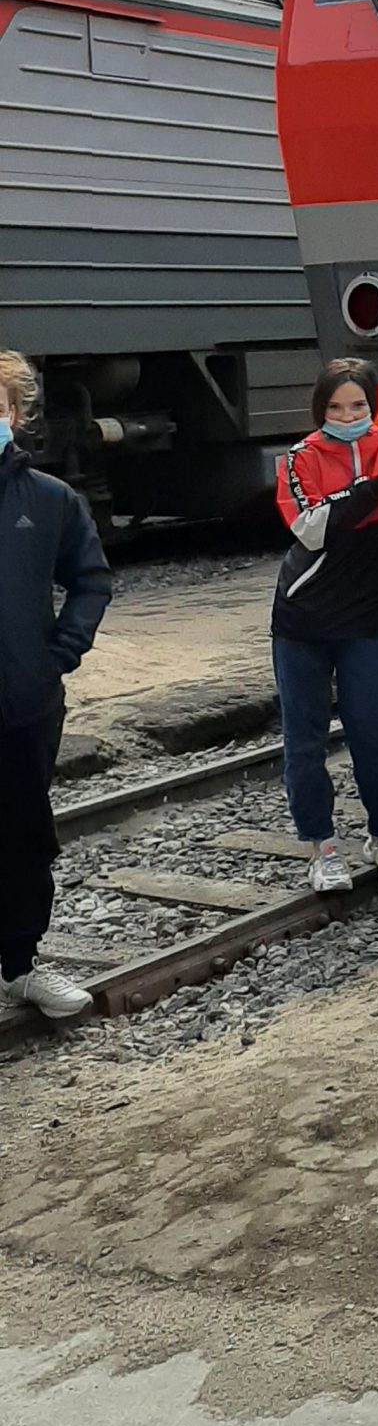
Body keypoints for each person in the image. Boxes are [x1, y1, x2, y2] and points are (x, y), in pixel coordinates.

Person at [271, 357, 378, 894]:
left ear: (373, 404)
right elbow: (312, 527)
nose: (348, 414)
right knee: (305, 741)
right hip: (302, 620)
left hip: (367, 621)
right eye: (335, 406)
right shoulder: (298, 458)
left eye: (358, 404)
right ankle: (322, 846)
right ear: (320, 409)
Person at [0, 350, 112, 1021]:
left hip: (23, 703)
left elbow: (90, 579)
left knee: (22, 833)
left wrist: (58, 654)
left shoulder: (49, 501)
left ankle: (21, 966)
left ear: (15, 414)